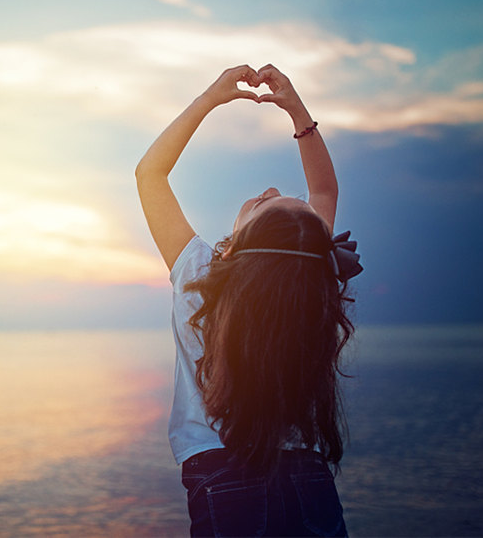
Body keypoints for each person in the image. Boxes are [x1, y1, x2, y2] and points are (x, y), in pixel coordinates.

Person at [135, 64, 362, 537]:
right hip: (308, 477)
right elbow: (324, 190)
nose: (272, 189)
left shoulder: (201, 277)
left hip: (224, 475)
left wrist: (210, 99)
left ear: (240, 245)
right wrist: (297, 111)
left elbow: (150, 173)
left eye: (265, 204)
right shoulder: (310, 278)